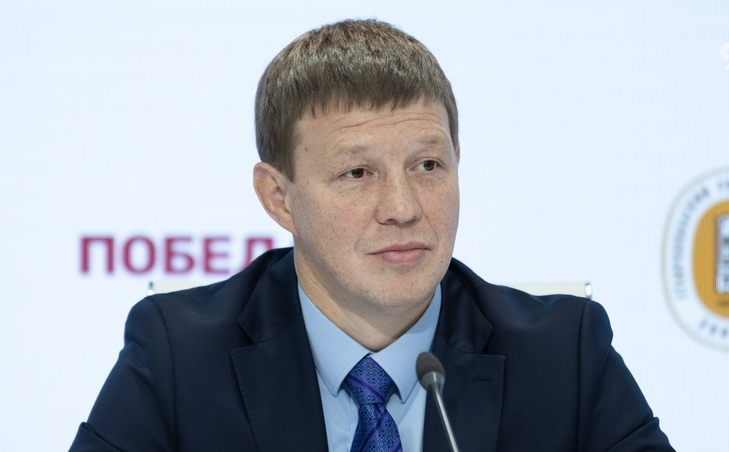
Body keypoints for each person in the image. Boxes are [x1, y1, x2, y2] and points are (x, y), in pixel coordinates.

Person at [69, 19, 673, 452]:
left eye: (428, 166)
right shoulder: (181, 356)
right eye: (357, 173)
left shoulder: (562, 355)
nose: (403, 208)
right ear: (278, 197)